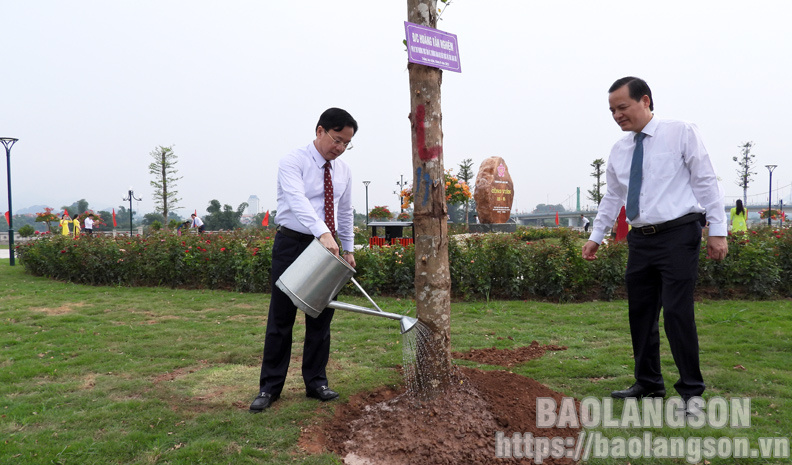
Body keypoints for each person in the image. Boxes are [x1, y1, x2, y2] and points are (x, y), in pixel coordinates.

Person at [581, 77, 728, 406]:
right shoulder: (620, 149)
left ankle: (691, 392)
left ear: (645, 100)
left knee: (677, 314)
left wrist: (718, 229)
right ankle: (648, 383)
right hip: (641, 239)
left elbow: (705, 180)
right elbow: (613, 196)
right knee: (641, 314)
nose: (617, 115)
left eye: (623, 107)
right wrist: (596, 236)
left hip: (679, 234)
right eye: (612, 110)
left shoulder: (680, 132)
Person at [250, 108, 358, 413]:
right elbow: (297, 201)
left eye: (346, 143)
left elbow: (345, 212)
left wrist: (347, 249)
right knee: (281, 319)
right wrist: (323, 232)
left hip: (329, 248)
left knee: (321, 318)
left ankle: (316, 382)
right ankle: (269, 388)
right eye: (337, 140)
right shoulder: (293, 161)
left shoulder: (344, 171)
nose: (339, 148)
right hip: (293, 244)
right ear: (320, 131)